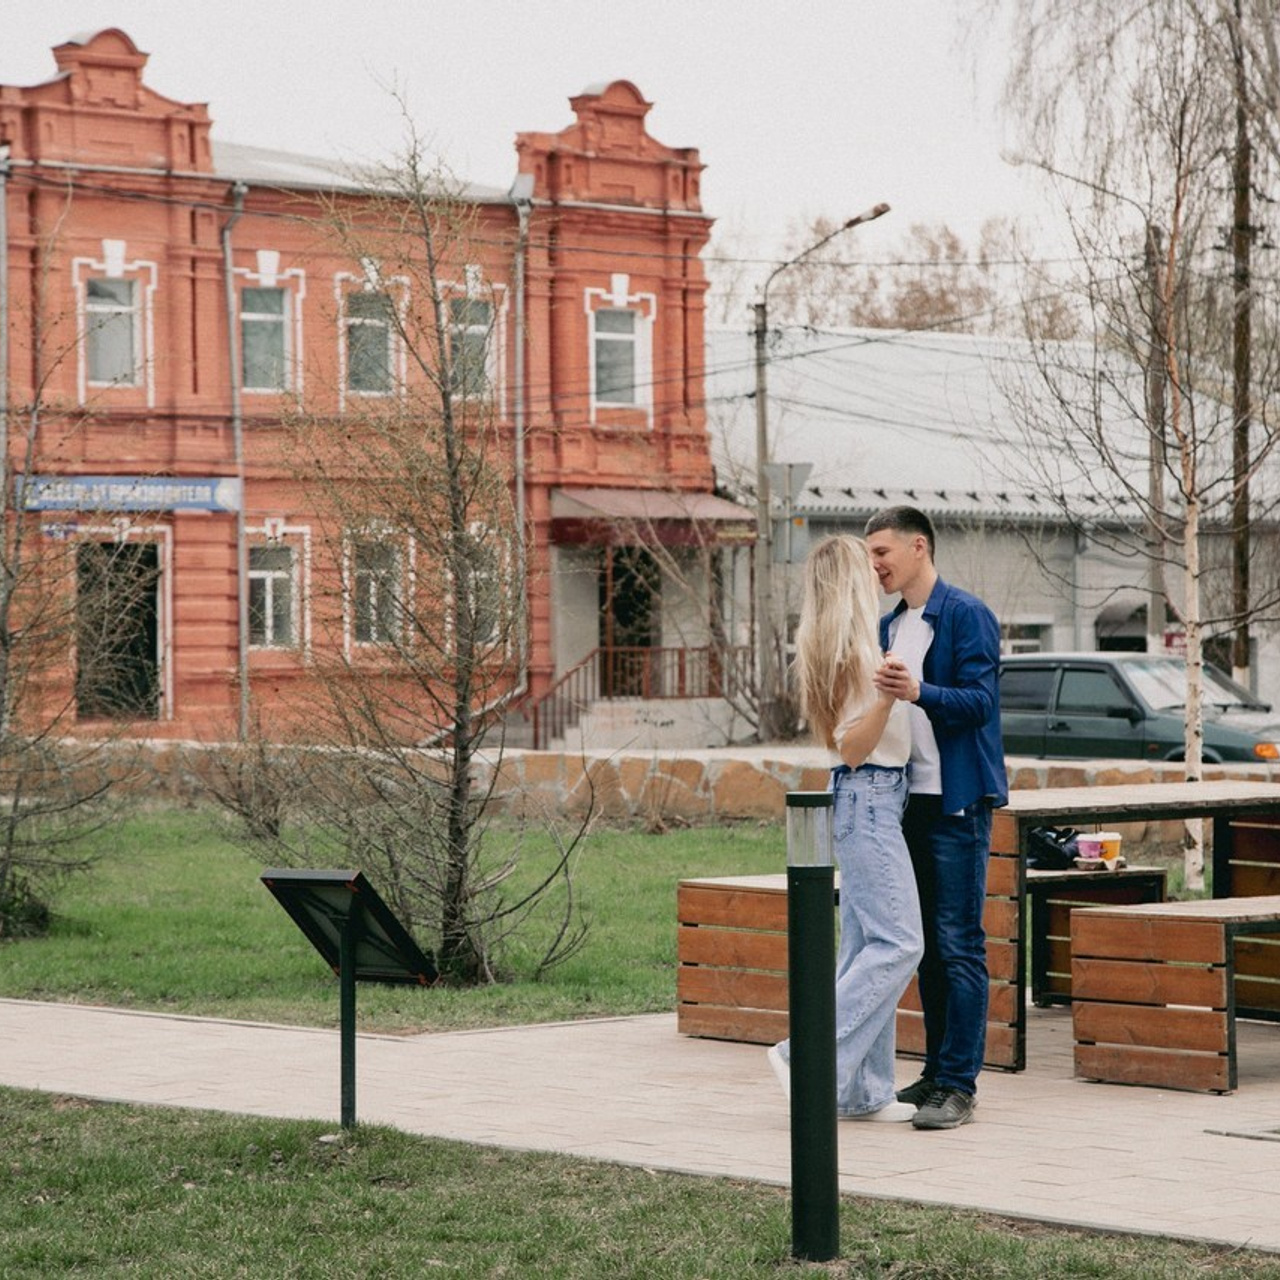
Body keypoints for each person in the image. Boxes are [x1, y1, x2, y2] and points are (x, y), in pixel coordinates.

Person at [766, 535, 924, 1122]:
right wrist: (887, 699)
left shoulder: (844, 649)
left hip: (869, 804)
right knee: (901, 942)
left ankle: (865, 1092)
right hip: (869, 799)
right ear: (853, 584)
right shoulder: (859, 658)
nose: (878, 571)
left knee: (865, 946)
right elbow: (852, 749)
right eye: (869, 566)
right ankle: (802, 1055)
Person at [865, 506, 1006, 1131]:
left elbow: (980, 703)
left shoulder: (966, 614)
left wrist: (919, 691)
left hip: (957, 802)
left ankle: (959, 1085)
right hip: (907, 803)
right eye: (871, 555)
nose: (876, 565)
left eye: (882, 553)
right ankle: (935, 1072)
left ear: (919, 547)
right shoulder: (889, 625)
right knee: (923, 948)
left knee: (958, 945)